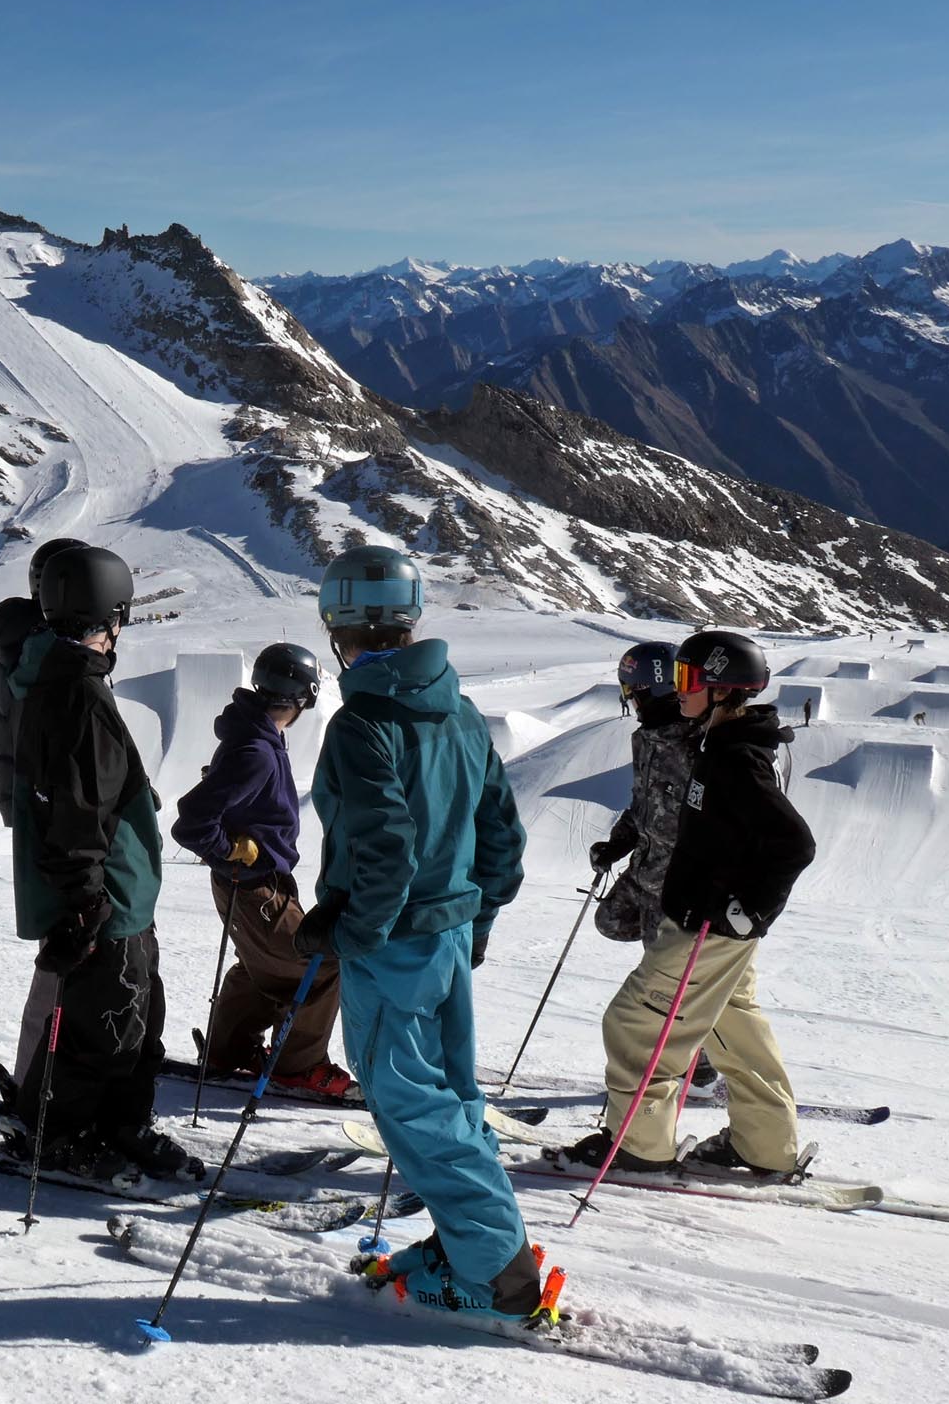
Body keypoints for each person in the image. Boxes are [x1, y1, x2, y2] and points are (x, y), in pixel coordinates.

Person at [301, 545, 539, 1319]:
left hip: (395, 943)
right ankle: (467, 1242)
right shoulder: (460, 710)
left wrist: (348, 933)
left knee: (412, 1106)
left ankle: (494, 1275)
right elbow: (501, 837)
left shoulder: (362, 723)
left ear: (337, 625)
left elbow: (387, 850)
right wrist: (476, 923)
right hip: (445, 937)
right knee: (454, 1100)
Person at [559, 630, 815, 1178]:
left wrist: (749, 910)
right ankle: (766, 1145)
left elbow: (794, 844)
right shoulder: (718, 744)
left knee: (635, 1024)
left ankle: (638, 1145)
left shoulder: (732, 757)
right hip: (711, 919)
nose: (678, 692)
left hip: (703, 923)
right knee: (731, 1021)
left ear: (720, 690)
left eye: (687, 680)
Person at [3, 545, 200, 1181]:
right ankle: (63, 1137)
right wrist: (85, 901)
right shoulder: (77, 696)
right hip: (107, 899)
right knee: (105, 1030)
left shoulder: (59, 680)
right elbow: (77, 812)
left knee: (138, 1025)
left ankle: (120, 1125)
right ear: (110, 616)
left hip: (120, 896)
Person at [172, 643, 353, 1096]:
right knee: (322, 963)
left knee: (261, 964)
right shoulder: (255, 749)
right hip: (253, 885)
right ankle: (299, 1064)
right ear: (302, 699)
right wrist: (230, 848)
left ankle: (227, 1049)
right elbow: (191, 821)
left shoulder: (255, 738)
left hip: (257, 884)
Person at [588, 642, 718, 1092]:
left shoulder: (696, 746)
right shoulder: (646, 739)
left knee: (666, 983)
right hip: (644, 872)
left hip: (676, 889)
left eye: (636, 694)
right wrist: (618, 844)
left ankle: (695, 1065)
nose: (633, 705)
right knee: (609, 921)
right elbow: (644, 803)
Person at [0, 536, 86, 1095]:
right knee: (67, 946)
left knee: (72, 947)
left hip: (42, 814)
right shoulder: (42, 657)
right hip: (58, 819)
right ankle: (35, 1080)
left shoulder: (25, 650)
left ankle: (48, 1070)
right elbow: (54, 749)